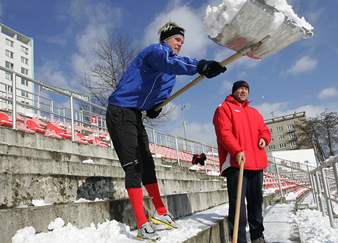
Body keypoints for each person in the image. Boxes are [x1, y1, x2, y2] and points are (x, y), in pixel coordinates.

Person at [106, 21, 226, 241]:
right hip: (119, 111)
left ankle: (160, 213)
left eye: (182, 41)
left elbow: (157, 95)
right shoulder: (156, 52)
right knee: (132, 166)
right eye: (177, 39)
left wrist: (154, 107)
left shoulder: (170, 75)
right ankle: (142, 223)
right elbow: (170, 63)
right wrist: (200, 65)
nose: (180, 44)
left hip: (134, 114)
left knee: (147, 164)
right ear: (165, 39)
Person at [212, 80, 271, 243]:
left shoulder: (255, 112)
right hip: (237, 163)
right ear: (234, 91)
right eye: (240, 89)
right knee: (238, 206)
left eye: (246, 89)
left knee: (256, 203)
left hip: (256, 163)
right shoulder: (224, 108)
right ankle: (239, 238)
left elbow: (265, 130)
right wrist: (237, 151)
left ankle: (257, 235)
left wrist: (264, 138)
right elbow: (224, 133)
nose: (243, 91)